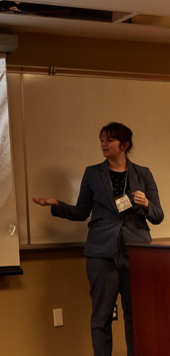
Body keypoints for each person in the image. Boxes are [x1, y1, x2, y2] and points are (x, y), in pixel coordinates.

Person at [32, 122, 163, 356]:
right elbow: (82, 212)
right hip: (101, 254)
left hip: (136, 252)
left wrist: (146, 205)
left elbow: (158, 216)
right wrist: (57, 206)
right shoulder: (93, 173)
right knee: (101, 316)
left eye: (109, 140)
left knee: (136, 317)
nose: (103, 144)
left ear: (125, 145)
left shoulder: (143, 174)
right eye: (101, 139)